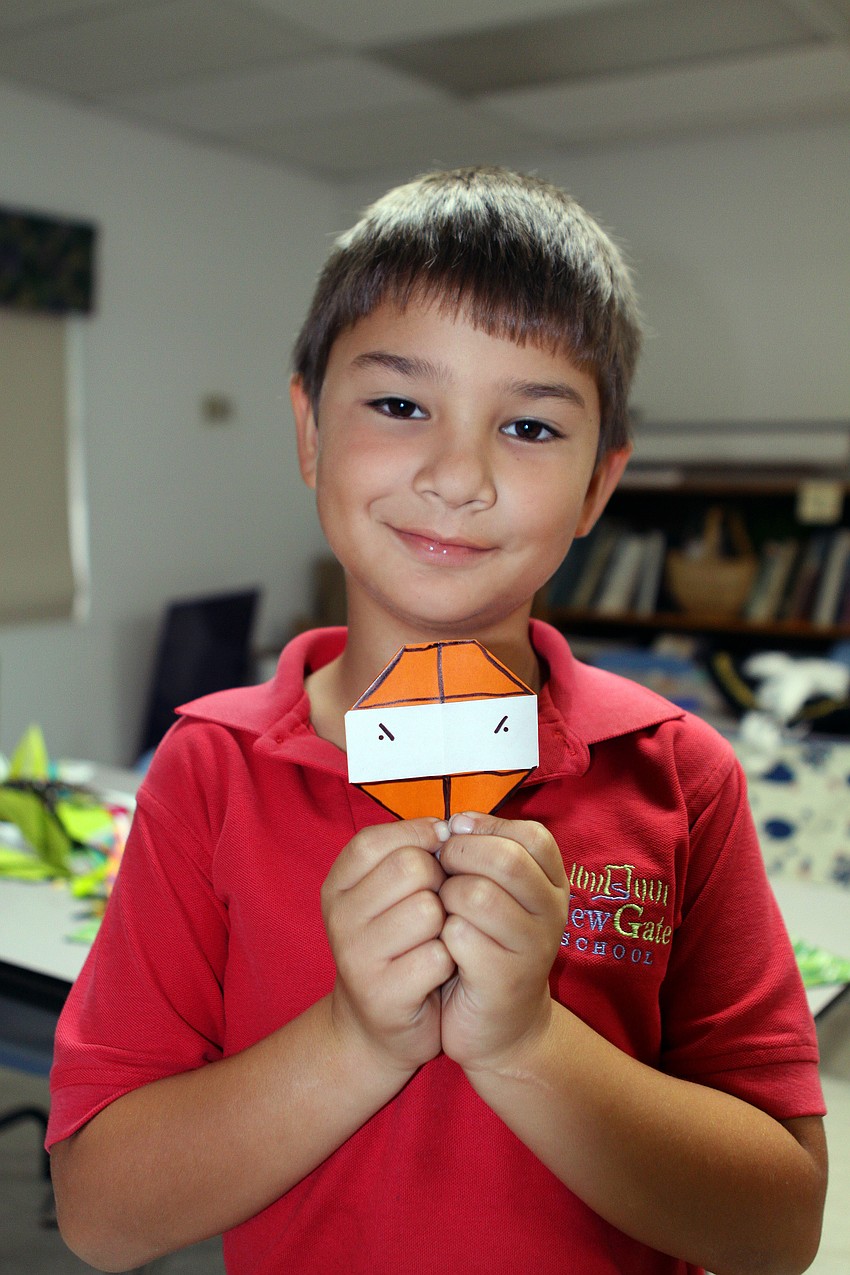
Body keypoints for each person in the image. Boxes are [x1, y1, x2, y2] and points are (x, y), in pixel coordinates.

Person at [48, 167, 827, 1275]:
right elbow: (101, 1217)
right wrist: (354, 1041)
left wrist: (524, 1043)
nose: (458, 475)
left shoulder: (677, 775)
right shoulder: (210, 766)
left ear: (600, 488)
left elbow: (778, 1229)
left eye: (528, 425)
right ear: (309, 428)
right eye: (401, 404)